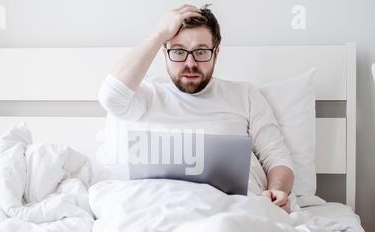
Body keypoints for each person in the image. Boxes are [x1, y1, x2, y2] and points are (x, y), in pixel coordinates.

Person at [98, 4, 294, 212]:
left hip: (229, 211)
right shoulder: (146, 94)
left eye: (201, 52)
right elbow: (111, 97)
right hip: (155, 208)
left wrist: (277, 191)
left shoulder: (245, 96)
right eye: (179, 51)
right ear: (164, 53)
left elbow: (277, 159)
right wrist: (159, 34)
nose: (190, 63)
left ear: (216, 53)